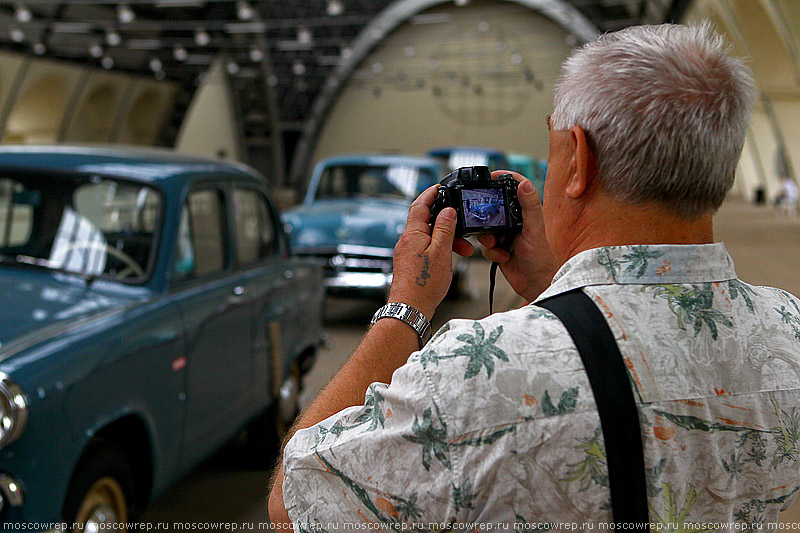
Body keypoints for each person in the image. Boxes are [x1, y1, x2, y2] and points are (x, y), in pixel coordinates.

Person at [269, 23, 800, 528]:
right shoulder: (787, 332)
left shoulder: (473, 374)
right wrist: (558, 290)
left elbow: (294, 507)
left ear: (578, 160)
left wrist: (405, 309)